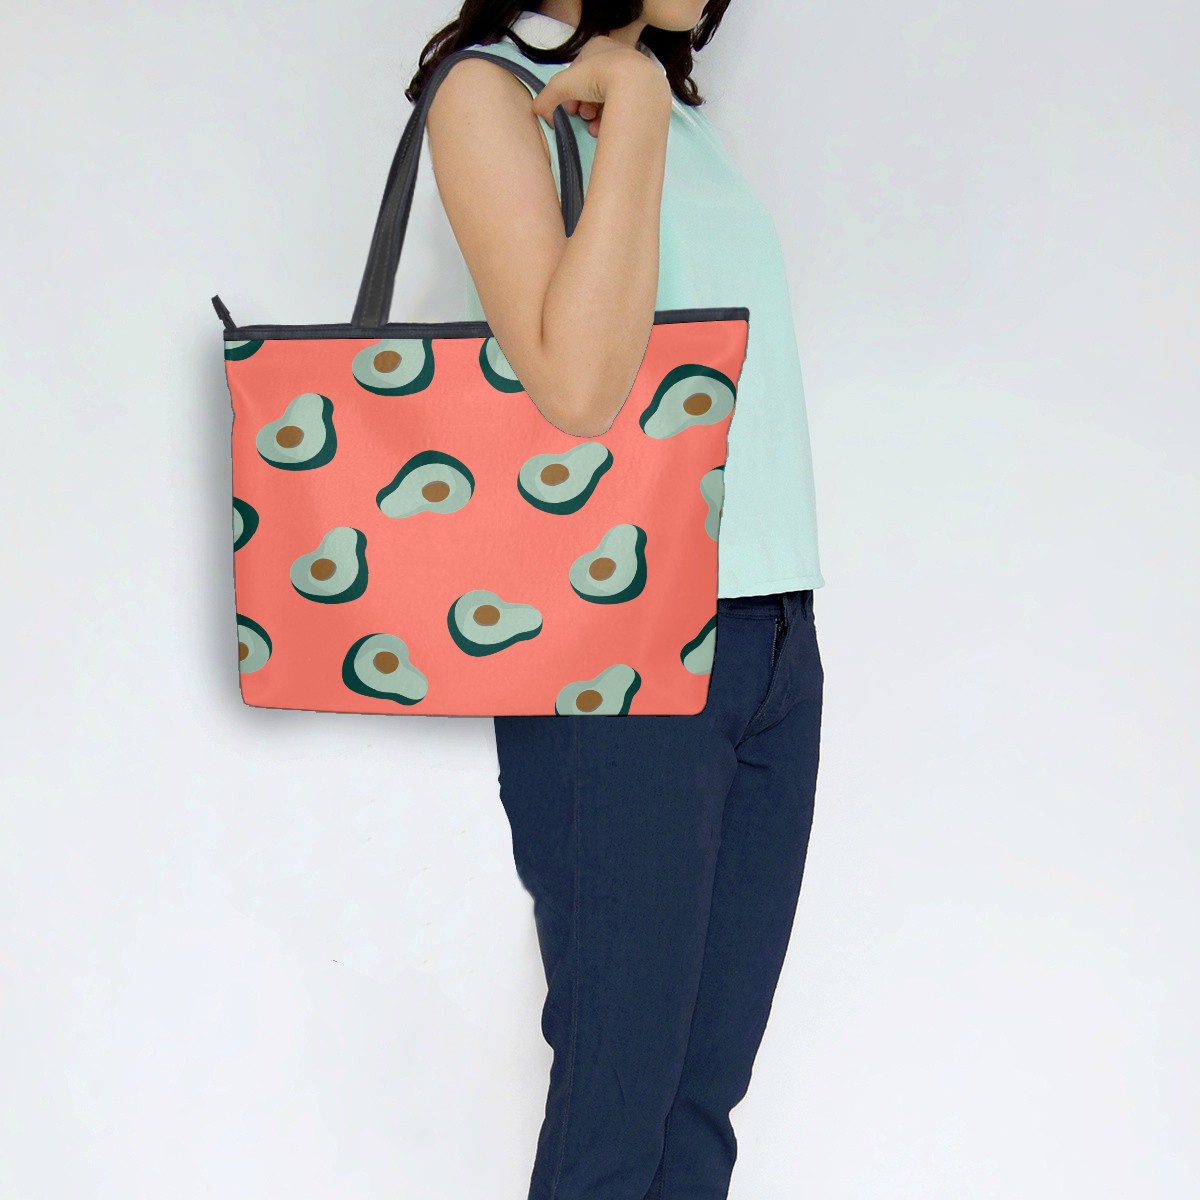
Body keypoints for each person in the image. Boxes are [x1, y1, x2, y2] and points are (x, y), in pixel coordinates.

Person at [416, 3, 825, 1196]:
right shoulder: (487, 92)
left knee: (700, 1107)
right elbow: (580, 386)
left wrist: (645, 96)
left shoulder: (671, 105)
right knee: (616, 1109)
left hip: (773, 636)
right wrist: (633, 110)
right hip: (623, 651)